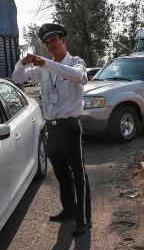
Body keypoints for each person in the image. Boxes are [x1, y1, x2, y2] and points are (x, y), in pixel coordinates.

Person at [12, 23, 92, 237]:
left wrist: (46, 63)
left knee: (78, 174)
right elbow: (17, 77)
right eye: (47, 42)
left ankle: (84, 219)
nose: (50, 45)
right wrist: (24, 61)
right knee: (60, 172)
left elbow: (79, 76)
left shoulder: (76, 62)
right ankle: (69, 209)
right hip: (51, 128)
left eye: (54, 40)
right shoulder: (43, 69)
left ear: (64, 40)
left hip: (69, 127)